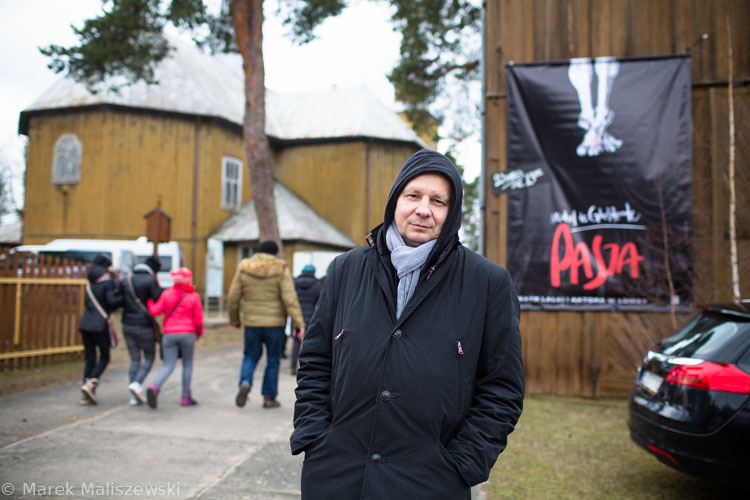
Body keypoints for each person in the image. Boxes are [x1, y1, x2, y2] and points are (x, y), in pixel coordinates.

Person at [290, 149, 524, 499]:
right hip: (336, 477)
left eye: (438, 201)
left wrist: (462, 464)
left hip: (430, 483)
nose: (423, 209)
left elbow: (502, 389)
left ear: (452, 212)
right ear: (395, 200)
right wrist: (314, 437)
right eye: (413, 195)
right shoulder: (345, 270)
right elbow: (315, 362)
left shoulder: (488, 284)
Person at [228, 240, 305, 409]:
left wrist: (234, 319)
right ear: (275, 253)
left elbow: (233, 296)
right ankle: (269, 398)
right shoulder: (281, 267)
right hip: (274, 324)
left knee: (250, 355)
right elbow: (289, 297)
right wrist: (299, 323)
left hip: (252, 323)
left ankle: (245, 382)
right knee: (273, 360)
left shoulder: (244, 267)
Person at [146, 267, 204, 409]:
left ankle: (154, 387)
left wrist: (148, 301)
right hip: (188, 334)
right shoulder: (193, 297)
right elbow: (198, 319)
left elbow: (155, 311)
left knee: (168, 365)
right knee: (187, 365)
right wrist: (199, 333)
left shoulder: (167, 294)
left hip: (169, 334)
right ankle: (185, 397)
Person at [118, 256, 163, 405]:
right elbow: (157, 299)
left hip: (126, 324)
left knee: (135, 359)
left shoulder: (126, 279)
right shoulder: (150, 281)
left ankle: (133, 395)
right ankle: (136, 384)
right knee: (149, 357)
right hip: (144, 325)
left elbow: (118, 301)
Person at [78, 254, 122, 405]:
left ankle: (86, 393)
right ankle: (90, 384)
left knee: (90, 359)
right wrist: (121, 297)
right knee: (105, 357)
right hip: (99, 325)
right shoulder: (107, 282)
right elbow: (111, 302)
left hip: (85, 324)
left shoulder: (90, 283)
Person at [291, 264, 322, 375]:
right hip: (311, 317)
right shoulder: (318, 285)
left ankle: (292, 366)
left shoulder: (294, 284)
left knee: (295, 342)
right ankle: (304, 367)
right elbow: (319, 302)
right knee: (308, 343)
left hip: (296, 317)